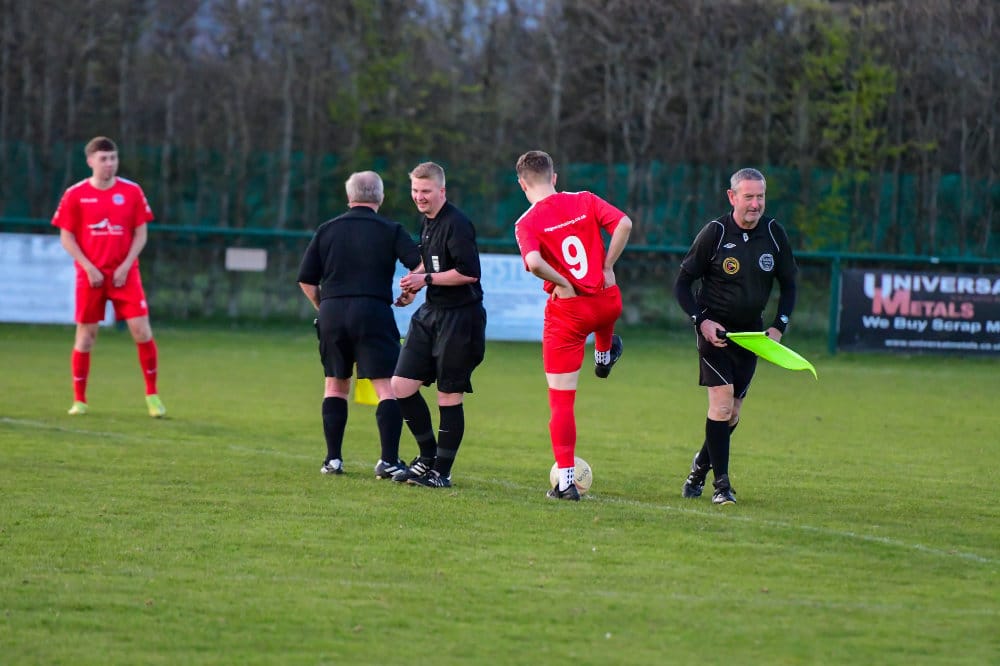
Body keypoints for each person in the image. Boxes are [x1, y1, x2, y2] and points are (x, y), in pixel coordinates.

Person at [673, 168, 798, 505]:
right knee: (722, 400)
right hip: (716, 333)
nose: (755, 204)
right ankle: (722, 486)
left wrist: (778, 326)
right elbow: (682, 284)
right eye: (748, 197)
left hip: (751, 336)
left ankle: (700, 467)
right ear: (732, 197)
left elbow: (789, 285)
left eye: (760, 196)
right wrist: (701, 321)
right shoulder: (714, 233)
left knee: (733, 413)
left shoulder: (774, 233)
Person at [513, 150, 632, 501]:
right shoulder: (584, 199)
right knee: (605, 315)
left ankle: (566, 482)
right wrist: (608, 264)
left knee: (561, 402)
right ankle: (604, 354)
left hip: (569, 313)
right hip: (608, 302)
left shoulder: (526, 222)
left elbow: (533, 262)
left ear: (522, 184)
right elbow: (624, 223)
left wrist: (562, 282)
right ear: (554, 177)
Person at [297, 170, 422, 477]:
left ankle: (333, 460)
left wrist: (324, 306)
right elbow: (418, 264)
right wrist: (409, 291)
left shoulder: (327, 229)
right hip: (373, 310)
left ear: (349, 196)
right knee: (387, 388)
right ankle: (389, 460)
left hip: (333, 312)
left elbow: (306, 279)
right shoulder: (391, 229)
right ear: (380, 197)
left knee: (335, 385)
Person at [51, 136, 166, 418]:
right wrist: (88, 267)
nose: (109, 164)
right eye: (103, 159)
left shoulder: (131, 192)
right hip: (91, 277)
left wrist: (127, 264)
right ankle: (80, 400)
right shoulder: (75, 194)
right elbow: (66, 236)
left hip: (125, 274)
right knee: (86, 338)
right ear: (90, 161)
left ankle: (152, 396)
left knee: (141, 331)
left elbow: (141, 232)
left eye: (113, 158)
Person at [389, 162, 487, 489]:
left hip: (461, 318)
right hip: (431, 312)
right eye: (415, 190)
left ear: (442, 191)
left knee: (448, 394)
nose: (420, 197)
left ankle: (441, 472)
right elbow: (431, 267)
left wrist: (425, 278)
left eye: (426, 191)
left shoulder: (457, 224)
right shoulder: (426, 221)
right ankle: (426, 457)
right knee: (401, 385)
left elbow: (469, 272)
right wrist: (413, 290)